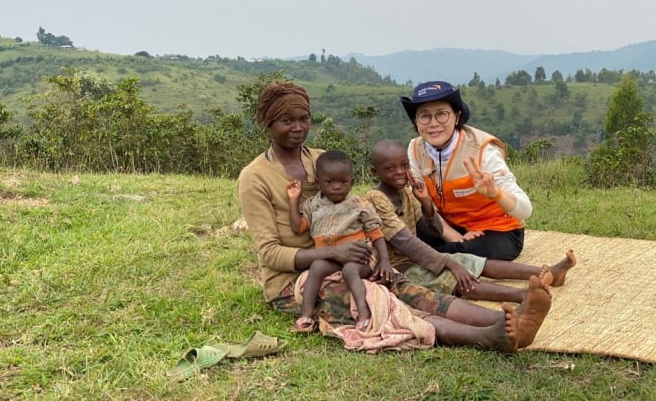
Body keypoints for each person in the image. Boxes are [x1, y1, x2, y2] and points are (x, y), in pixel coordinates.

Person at [237, 80, 552, 353]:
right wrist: (332, 252)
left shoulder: (321, 160)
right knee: (381, 302)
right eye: (285, 120)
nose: (297, 127)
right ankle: (485, 337)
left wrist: (371, 250)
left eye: (303, 118)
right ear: (267, 123)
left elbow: (354, 211)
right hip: (295, 280)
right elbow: (270, 254)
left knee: (405, 286)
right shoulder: (256, 177)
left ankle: (510, 320)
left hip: (347, 261)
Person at [366, 139, 576, 310]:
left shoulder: (405, 193)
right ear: (376, 172)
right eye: (390, 168)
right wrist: (449, 264)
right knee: (456, 279)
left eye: (404, 165)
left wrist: (426, 203)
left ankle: (549, 272)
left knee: (473, 261)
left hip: (415, 258)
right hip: (397, 266)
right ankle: (523, 295)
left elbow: (432, 230)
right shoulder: (377, 199)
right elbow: (406, 242)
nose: (400, 172)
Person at [401, 80, 532, 260]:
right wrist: (455, 237)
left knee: (424, 253)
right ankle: (441, 252)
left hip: (495, 231)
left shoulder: (483, 151)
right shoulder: (416, 148)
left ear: (457, 116)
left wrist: (495, 192)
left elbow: (525, 210)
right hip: (447, 227)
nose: (433, 123)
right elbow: (418, 204)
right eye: (424, 116)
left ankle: (432, 256)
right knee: (400, 234)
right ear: (416, 121)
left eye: (442, 114)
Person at [287, 150, 394, 333]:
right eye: (329, 182)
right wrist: (293, 199)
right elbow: (298, 227)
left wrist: (384, 260)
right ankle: (305, 316)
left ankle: (363, 314)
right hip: (331, 258)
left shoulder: (359, 205)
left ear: (352, 182)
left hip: (360, 258)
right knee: (317, 267)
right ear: (318, 183)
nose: (337, 187)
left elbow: (376, 233)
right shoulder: (313, 205)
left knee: (350, 270)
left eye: (343, 182)